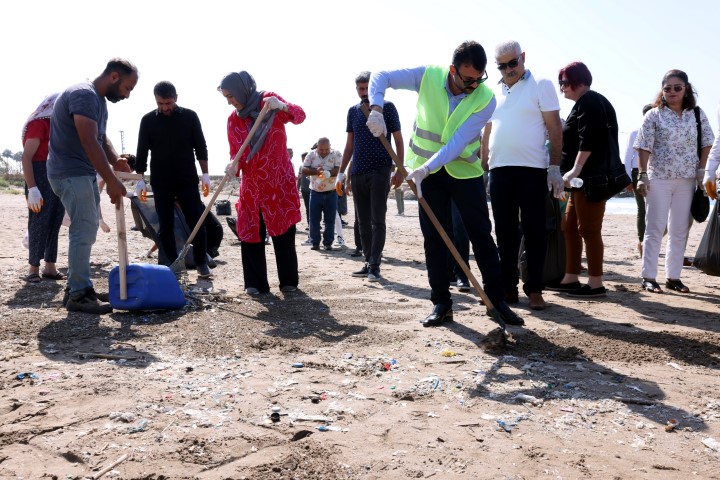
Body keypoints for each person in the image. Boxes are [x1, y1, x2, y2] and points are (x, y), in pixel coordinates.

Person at [367, 40, 524, 327]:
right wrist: (376, 108)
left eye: (478, 79)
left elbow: (457, 142)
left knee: (481, 235)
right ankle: (441, 303)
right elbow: (382, 76)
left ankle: (497, 300)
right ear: (453, 70)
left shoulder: (486, 99)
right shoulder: (428, 76)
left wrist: (425, 168)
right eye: (467, 79)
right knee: (434, 238)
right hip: (427, 176)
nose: (472, 86)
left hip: (464, 173)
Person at [47, 58, 138, 314]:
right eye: (127, 88)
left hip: (79, 172)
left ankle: (77, 288)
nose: (127, 95)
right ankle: (79, 294)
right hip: (70, 172)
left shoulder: (97, 101)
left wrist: (115, 160)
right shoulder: (84, 95)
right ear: (114, 77)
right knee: (83, 229)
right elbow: (88, 141)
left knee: (85, 229)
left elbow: (99, 138)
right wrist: (110, 180)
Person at [481, 40, 563, 311]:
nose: (508, 70)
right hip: (499, 170)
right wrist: (484, 162)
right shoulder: (493, 91)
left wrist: (554, 168)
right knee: (504, 233)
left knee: (534, 231)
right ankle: (508, 288)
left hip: (532, 170)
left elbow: (554, 128)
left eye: (512, 63)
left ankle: (535, 289)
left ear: (522, 58)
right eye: (502, 66)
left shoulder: (541, 84)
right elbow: (488, 130)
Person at [218, 70, 305, 295]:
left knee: (283, 229)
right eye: (226, 97)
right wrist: (233, 165)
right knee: (250, 231)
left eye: (231, 96)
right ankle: (255, 283)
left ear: (241, 90)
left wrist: (281, 106)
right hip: (252, 184)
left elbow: (300, 116)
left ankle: (288, 281)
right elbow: (236, 153)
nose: (229, 102)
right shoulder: (233, 120)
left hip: (278, 181)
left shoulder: (270, 103)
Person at [635, 69, 714, 294]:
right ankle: (649, 276)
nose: (672, 92)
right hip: (659, 178)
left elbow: (707, 142)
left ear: (686, 89)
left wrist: (701, 169)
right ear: (662, 90)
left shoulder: (697, 114)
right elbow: (643, 146)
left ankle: (673, 277)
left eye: (677, 88)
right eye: (667, 88)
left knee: (680, 229)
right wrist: (642, 175)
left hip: (687, 180)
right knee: (655, 228)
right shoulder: (654, 115)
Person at [548, 61, 616, 298]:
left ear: (579, 80)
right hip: (580, 182)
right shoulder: (585, 103)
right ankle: (570, 278)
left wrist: (574, 171)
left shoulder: (590, 101)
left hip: (590, 179)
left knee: (588, 229)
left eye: (565, 82)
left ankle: (596, 283)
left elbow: (590, 139)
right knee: (569, 228)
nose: (562, 88)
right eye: (560, 83)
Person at [135, 81, 212, 278]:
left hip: (187, 179)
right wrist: (140, 178)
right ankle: (171, 263)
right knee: (165, 224)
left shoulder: (190, 116)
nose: (165, 107)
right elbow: (142, 151)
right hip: (161, 181)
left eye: (168, 103)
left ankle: (202, 261)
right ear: (156, 101)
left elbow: (201, 146)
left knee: (196, 220)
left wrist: (205, 174)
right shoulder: (147, 121)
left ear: (176, 98)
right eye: (161, 103)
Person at [336, 71, 404, 282]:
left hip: (381, 170)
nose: (363, 92)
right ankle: (367, 261)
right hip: (358, 172)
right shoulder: (352, 111)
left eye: (367, 88)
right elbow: (349, 145)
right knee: (362, 221)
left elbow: (398, 140)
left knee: (377, 219)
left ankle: (375, 264)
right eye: (360, 88)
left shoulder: (388, 107)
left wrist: (400, 169)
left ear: (374, 89)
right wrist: (341, 173)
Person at [21, 93, 65, 284]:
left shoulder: (62, 126)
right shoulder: (39, 124)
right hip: (39, 175)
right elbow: (26, 157)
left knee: (55, 221)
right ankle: (33, 268)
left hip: (58, 175)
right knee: (39, 222)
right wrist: (32, 188)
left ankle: (50, 266)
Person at [623, 104, 654, 257]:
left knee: (656, 210)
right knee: (642, 209)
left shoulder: (660, 132)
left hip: (656, 173)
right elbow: (628, 156)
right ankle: (642, 242)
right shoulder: (635, 132)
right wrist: (627, 179)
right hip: (637, 173)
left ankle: (650, 241)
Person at [302, 137, 342, 250]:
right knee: (314, 219)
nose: (324, 152)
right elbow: (304, 170)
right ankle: (315, 242)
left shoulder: (336, 154)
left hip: (331, 192)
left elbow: (338, 169)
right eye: (321, 149)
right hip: (315, 193)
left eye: (326, 149)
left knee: (330, 219)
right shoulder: (311, 155)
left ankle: (328, 243)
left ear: (330, 146)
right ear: (317, 147)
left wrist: (328, 173)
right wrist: (315, 171)